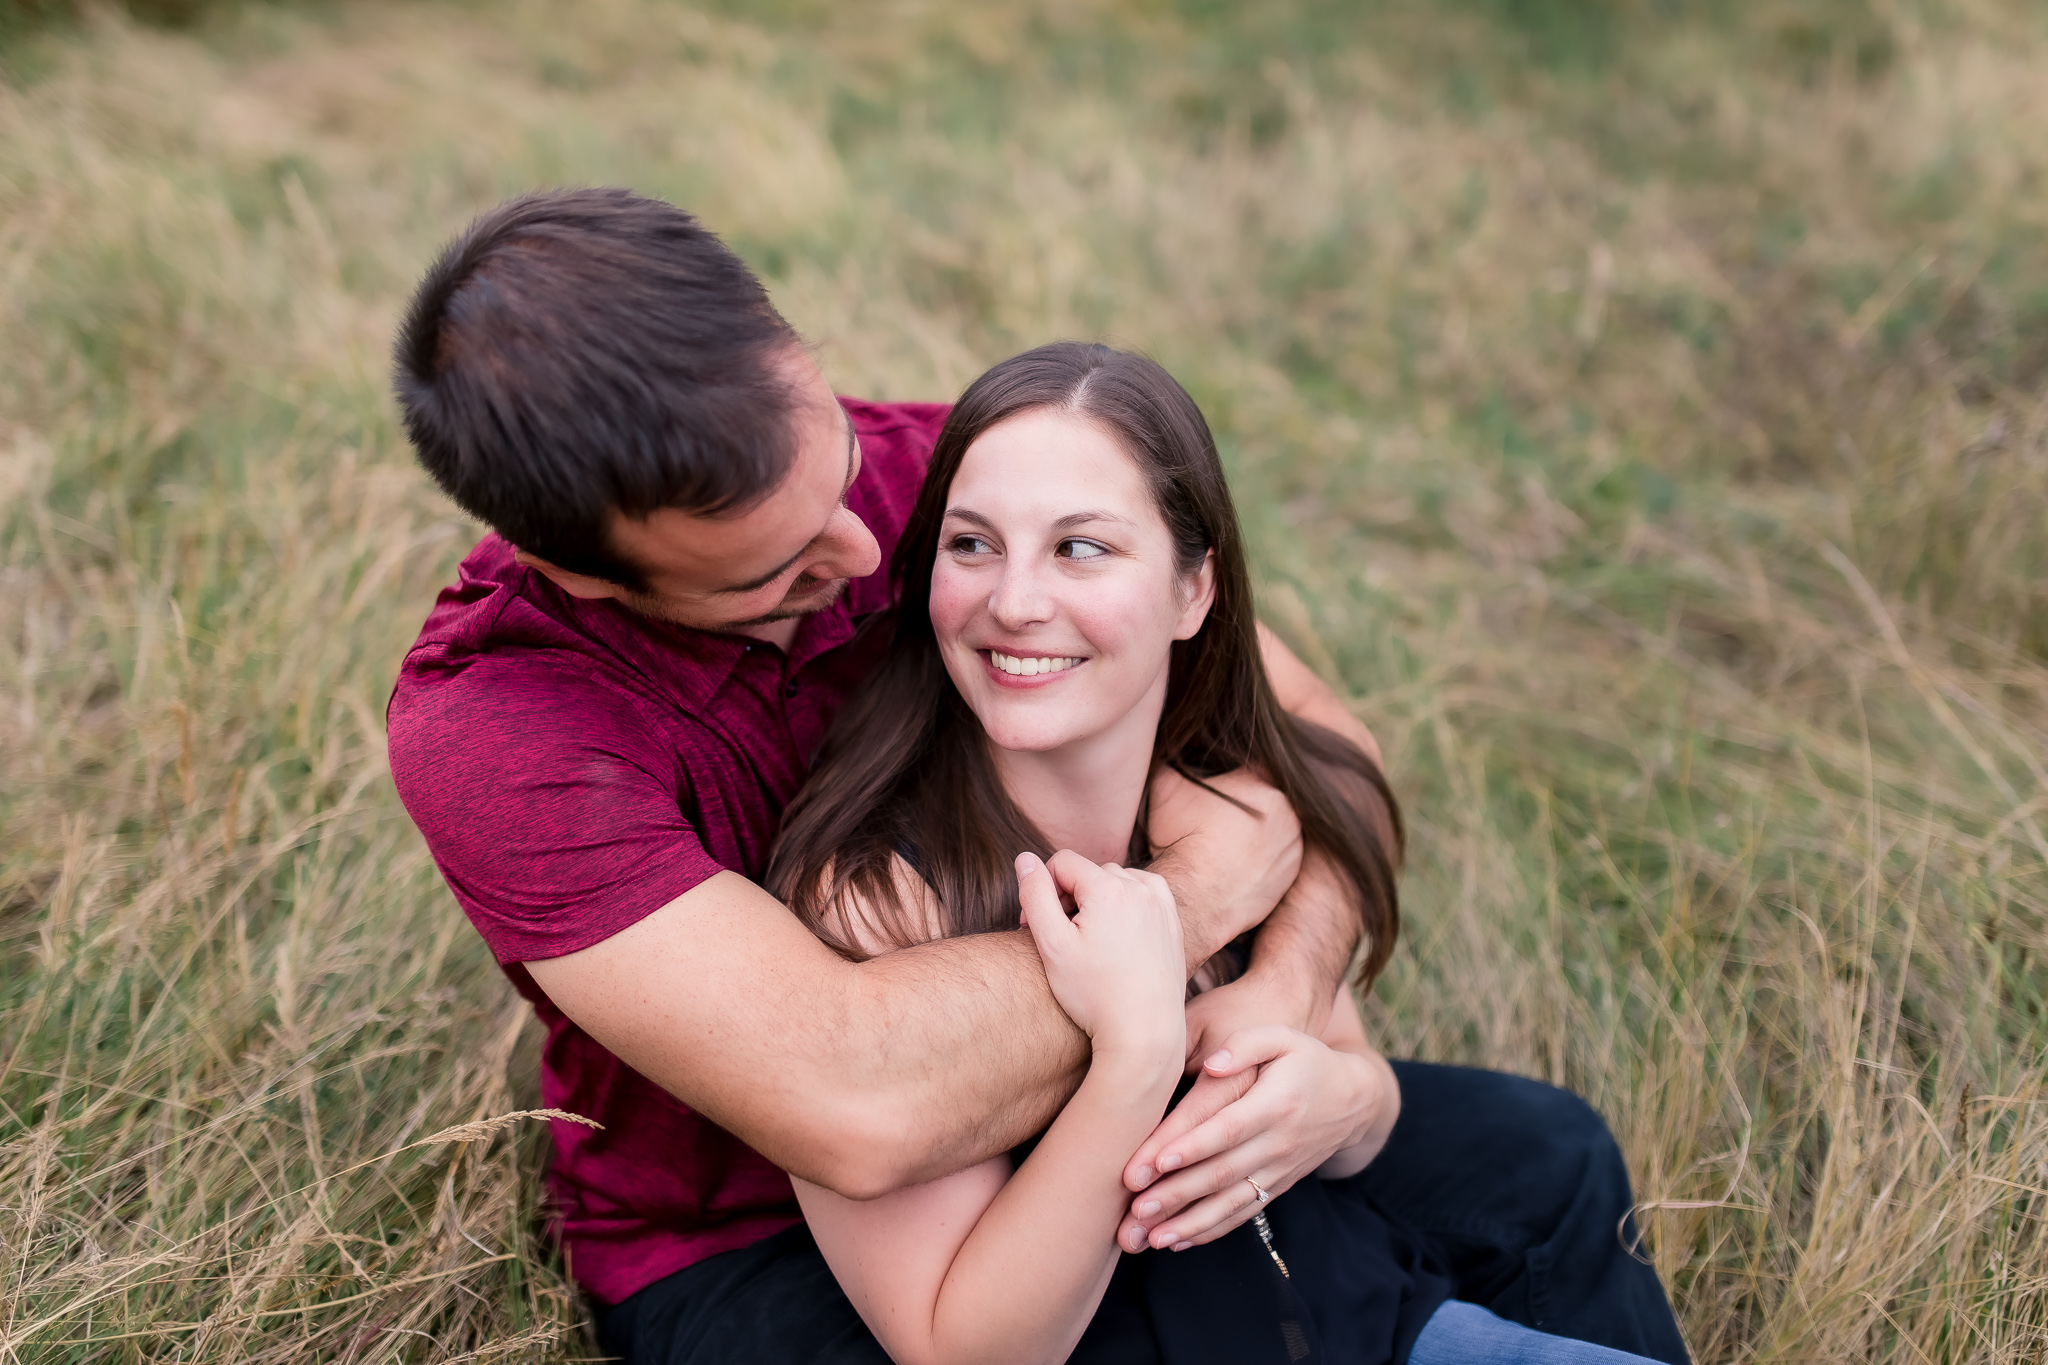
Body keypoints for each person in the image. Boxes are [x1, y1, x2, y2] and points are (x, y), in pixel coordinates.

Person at [383, 187, 1691, 1364]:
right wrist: (1194, 900)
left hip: (1074, 1094)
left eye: (836, 464)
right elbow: (857, 1104)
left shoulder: (943, 491)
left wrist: (1285, 996)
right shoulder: (502, 729)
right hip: (744, 1235)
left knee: (1545, 1161)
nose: (859, 541)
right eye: (766, 575)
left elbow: (1323, 746)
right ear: (586, 574)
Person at [751, 340, 1667, 1365]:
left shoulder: (1221, 804)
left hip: (1377, 1319)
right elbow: (966, 1351)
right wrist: (1133, 1058)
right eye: (972, 545)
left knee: (1552, 1155)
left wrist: (1344, 1102)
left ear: (1195, 592)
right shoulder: (877, 891)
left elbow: (1351, 1083)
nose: (1013, 602)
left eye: (1080, 548)